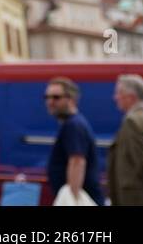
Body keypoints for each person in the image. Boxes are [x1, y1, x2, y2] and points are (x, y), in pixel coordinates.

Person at [44, 76, 104, 206]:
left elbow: (77, 161)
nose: (50, 102)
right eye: (47, 97)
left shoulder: (73, 125)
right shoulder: (71, 123)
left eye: (56, 97)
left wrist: (72, 198)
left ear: (71, 99)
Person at [106, 74, 143, 205]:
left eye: (119, 93)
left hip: (139, 198)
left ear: (131, 96)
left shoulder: (132, 121)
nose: (115, 97)